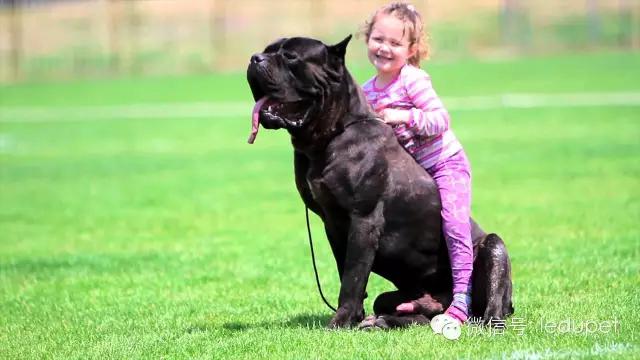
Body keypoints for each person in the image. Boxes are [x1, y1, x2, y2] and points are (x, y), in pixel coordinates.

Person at [360, 2, 473, 325]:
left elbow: (441, 120)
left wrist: (403, 116)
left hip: (444, 164)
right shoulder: (367, 91)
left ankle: (462, 297)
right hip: (414, 178)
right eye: (379, 39)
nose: (385, 48)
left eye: (395, 43)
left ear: (411, 50)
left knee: (453, 225)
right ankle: (422, 295)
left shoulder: (413, 80)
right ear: (368, 38)